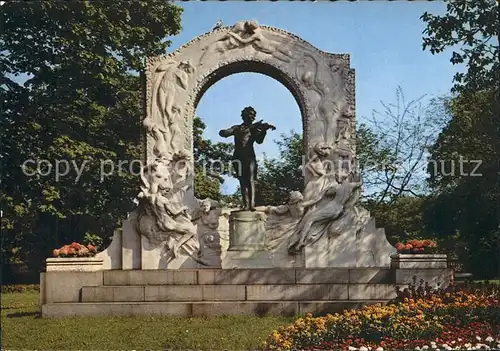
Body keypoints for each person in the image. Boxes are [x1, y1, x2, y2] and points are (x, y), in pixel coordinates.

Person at [219, 106, 275, 211]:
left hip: (250, 156)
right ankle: (246, 204)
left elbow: (259, 141)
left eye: (254, 115)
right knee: (242, 181)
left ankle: (252, 204)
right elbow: (226, 132)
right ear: (244, 116)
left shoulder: (254, 129)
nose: (253, 117)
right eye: (251, 114)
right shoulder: (237, 128)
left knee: (250, 180)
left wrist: (263, 131)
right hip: (237, 157)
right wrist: (224, 132)